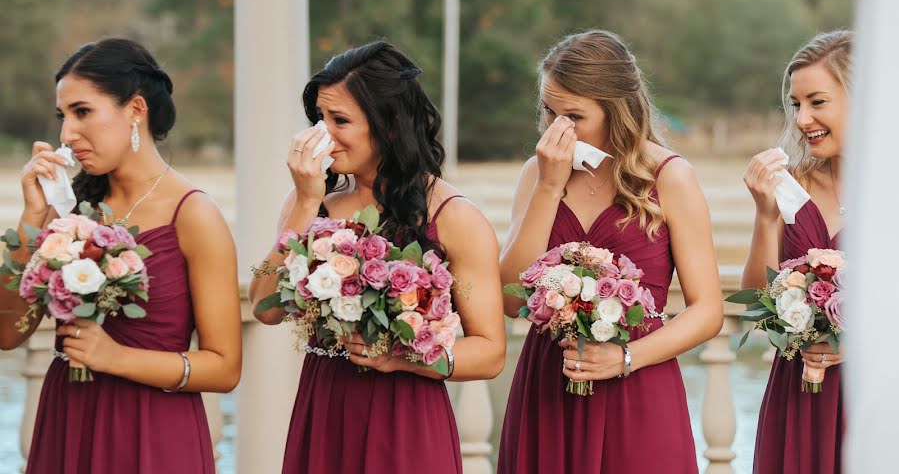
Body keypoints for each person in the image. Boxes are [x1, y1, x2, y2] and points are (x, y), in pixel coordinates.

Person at [249, 40, 506, 474]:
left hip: (406, 416)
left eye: (339, 120)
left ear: (388, 124)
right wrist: (306, 203)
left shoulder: (455, 217)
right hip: (326, 406)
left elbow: (491, 352)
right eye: (319, 119)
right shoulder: (312, 202)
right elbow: (263, 306)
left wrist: (401, 357)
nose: (321, 134)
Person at [0, 38, 242, 474]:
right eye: (63, 116)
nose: (67, 134)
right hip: (68, 423)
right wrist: (33, 215)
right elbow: (8, 334)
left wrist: (116, 358)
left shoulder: (195, 214)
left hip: (153, 433)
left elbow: (224, 369)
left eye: (83, 112)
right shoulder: (68, 210)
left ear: (135, 109)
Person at [497, 29, 722, 473]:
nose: (556, 128)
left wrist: (625, 358)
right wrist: (548, 185)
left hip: (637, 383)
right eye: (548, 110)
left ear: (616, 109)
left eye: (574, 115)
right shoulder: (536, 174)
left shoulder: (671, 177)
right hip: (549, 381)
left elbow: (708, 311)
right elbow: (507, 298)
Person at [742, 30, 852, 474]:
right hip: (799, 394)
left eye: (817, 102)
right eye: (795, 104)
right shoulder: (790, 188)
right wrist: (766, 215)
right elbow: (755, 301)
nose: (802, 118)